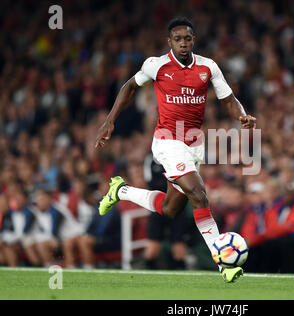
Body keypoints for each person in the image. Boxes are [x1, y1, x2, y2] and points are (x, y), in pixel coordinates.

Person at [94, 17, 256, 282]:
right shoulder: (156, 65)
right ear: (169, 42)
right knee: (200, 195)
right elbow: (130, 86)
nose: (183, 43)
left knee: (171, 209)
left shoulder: (207, 67)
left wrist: (242, 115)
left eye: (188, 39)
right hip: (167, 142)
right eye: (178, 39)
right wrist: (109, 120)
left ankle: (120, 190)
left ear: (194, 40)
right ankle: (223, 264)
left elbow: (228, 99)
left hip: (195, 144)